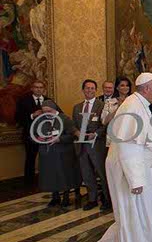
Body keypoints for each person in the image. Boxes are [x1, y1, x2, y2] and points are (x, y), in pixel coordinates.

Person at [93, 72, 152, 242]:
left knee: (140, 215)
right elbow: (128, 146)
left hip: (139, 170)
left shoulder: (140, 105)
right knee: (133, 216)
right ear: (146, 88)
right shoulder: (132, 107)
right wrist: (135, 181)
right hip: (130, 172)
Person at [34, 100, 81, 208]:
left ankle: (66, 197)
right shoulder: (40, 120)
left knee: (64, 175)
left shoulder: (65, 119)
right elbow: (33, 135)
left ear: (54, 109)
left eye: (49, 111)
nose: (47, 114)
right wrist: (38, 139)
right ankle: (55, 197)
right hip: (47, 154)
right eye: (44, 112)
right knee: (51, 176)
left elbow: (73, 135)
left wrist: (60, 139)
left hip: (63, 153)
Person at [72, 79, 110, 211]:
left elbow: (106, 124)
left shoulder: (102, 106)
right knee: (87, 174)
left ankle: (107, 199)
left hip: (97, 145)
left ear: (96, 90)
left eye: (92, 88)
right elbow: (74, 125)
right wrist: (76, 132)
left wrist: (96, 134)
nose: (90, 90)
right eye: (87, 88)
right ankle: (92, 199)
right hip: (82, 145)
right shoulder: (77, 107)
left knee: (102, 173)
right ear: (83, 90)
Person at [15, 79, 55, 185]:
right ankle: (29, 183)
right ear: (32, 89)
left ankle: (47, 179)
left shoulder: (49, 101)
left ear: (44, 89)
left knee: (47, 158)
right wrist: (32, 115)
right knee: (30, 159)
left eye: (41, 87)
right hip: (30, 135)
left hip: (46, 136)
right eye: (36, 87)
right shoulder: (24, 101)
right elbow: (18, 118)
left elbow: (58, 114)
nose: (38, 89)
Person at [101, 76, 132, 147]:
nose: (125, 87)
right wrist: (119, 107)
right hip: (114, 137)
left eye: (127, 85)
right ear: (117, 87)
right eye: (122, 85)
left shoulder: (134, 101)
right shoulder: (110, 102)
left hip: (130, 136)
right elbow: (104, 121)